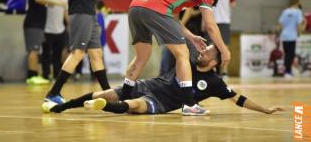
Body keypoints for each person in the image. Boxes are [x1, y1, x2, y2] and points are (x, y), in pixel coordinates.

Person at [42, 42, 284, 116]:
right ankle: (59, 107)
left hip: (161, 103)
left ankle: (104, 106)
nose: (203, 51)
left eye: (208, 51)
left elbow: (238, 99)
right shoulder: (185, 60)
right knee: (104, 92)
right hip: (148, 85)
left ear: (215, 61)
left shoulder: (215, 83)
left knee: (134, 106)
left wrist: (265, 109)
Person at [121, 0, 231, 116]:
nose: (199, 6)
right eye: (207, 3)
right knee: (183, 54)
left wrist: (191, 37)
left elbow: (174, 19)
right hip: (155, 9)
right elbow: (210, 25)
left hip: (136, 6)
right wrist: (224, 50)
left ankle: (124, 96)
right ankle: (189, 104)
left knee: (142, 56)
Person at [24, 0, 67, 85]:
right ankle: (32, 76)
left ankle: (34, 75)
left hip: (37, 25)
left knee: (35, 50)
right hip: (34, 24)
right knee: (33, 50)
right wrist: (55, 3)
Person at [41, 0, 68, 80]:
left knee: (58, 55)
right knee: (46, 55)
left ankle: (57, 76)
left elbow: (65, 11)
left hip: (60, 30)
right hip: (46, 29)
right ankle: (45, 76)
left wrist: (69, 24)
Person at [211, 0, 236, 77]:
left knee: (211, 45)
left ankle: (211, 70)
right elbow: (233, 4)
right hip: (225, 20)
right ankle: (224, 71)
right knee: (225, 45)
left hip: (211, 19)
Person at [277, 0, 304, 78]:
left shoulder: (285, 11)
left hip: (284, 36)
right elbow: (299, 24)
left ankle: (287, 70)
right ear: (298, 2)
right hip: (292, 35)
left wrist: (279, 32)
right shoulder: (298, 12)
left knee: (287, 54)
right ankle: (287, 71)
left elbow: (280, 25)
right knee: (291, 54)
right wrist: (299, 33)